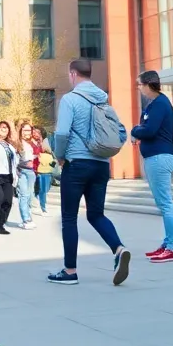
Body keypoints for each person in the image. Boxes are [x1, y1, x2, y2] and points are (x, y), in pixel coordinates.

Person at [48, 59, 131, 286]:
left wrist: (60, 155)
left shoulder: (70, 99)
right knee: (96, 214)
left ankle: (70, 270)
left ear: (73, 73)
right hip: (101, 165)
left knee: (68, 218)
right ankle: (118, 248)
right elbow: (121, 134)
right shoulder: (104, 102)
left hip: (76, 165)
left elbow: (62, 133)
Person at [131, 70, 173, 263]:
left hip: (160, 157)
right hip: (156, 157)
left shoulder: (160, 104)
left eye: (140, 84)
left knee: (166, 204)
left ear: (149, 84)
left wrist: (135, 130)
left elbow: (149, 130)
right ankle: (168, 243)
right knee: (163, 204)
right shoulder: (155, 104)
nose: (139, 88)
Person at [16, 121, 39, 229]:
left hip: (31, 171)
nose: (28, 132)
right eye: (25, 130)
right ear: (20, 130)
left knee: (30, 195)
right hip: (21, 170)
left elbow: (38, 153)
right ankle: (26, 219)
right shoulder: (17, 142)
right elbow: (15, 159)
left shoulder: (31, 143)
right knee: (24, 195)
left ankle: (28, 216)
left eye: (29, 130)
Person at [33, 128, 54, 216]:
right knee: (42, 191)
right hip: (40, 173)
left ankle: (41, 206)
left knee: (44, 190)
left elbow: (53, 162)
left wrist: (50, 166)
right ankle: (42, 207)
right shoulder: (37, 149)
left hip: (47, 173)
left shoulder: (46, 149)